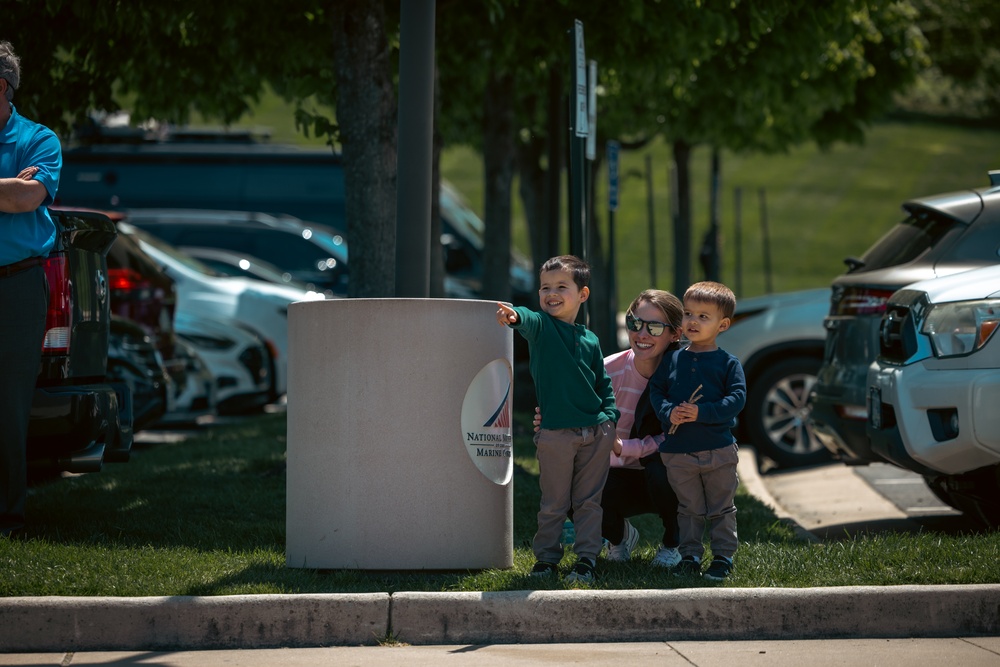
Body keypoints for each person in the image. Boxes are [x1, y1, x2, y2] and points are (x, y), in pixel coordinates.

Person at [534, 289, 685, 569]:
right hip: (613, 473)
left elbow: (678, 438)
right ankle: (619, 537)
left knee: (668, 464)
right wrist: (554, 420)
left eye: (654, 327)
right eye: (634, 323)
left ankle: (672, 544)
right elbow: (577, 413)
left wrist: (624, 447)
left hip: (663, 473)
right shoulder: (606, 369)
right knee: (569, 485)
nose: (642, 334)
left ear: (675, 334)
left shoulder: (682, 377)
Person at [496, 255, 619, 585]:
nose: (551, 293)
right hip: (555, 435)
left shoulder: (590, 340)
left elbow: (602, 384)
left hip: (596, 431)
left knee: (589, 502)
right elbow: (527, 320)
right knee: (554, 502)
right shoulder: (542, 329)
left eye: (561, 287)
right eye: (545, 287)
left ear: (582, 294)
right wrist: (513, 316)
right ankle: (547, 559)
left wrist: (610, 421)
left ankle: (586, 560)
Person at [0, 41, 61, 538]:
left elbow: (25, 199)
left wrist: (15, 191)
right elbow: (10, 193)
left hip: (16, 287)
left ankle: (8, 517)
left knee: (9, 403)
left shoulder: (39, 139)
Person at [650, 281, 746, 582]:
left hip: (718, 449)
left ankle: (723, 556)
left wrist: (701, 412)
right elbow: (657, 391)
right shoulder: (673, 358)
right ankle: (690, 554)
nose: (693, 321)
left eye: (704, 316)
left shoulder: (728, 363)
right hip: (679, 451)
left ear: (723, 324)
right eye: (689, 313)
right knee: (688, 508)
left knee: (720, 507)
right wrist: (669, 412)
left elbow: (737, 399)